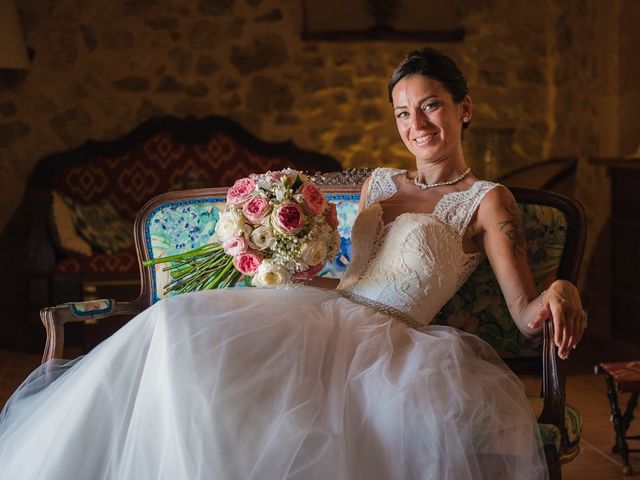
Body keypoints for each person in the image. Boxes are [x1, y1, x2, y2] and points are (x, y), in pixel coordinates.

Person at [0, 47, 585, 479]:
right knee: (176, 326)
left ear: (464, 109)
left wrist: (560, 291)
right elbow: (347, 269)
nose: (417, 125)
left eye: (431, 106)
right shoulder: (380, 182)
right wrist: (278, 252)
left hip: (390, 346)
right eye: (403, 113)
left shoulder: (487, 201)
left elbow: (524, 310)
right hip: (323, 308)